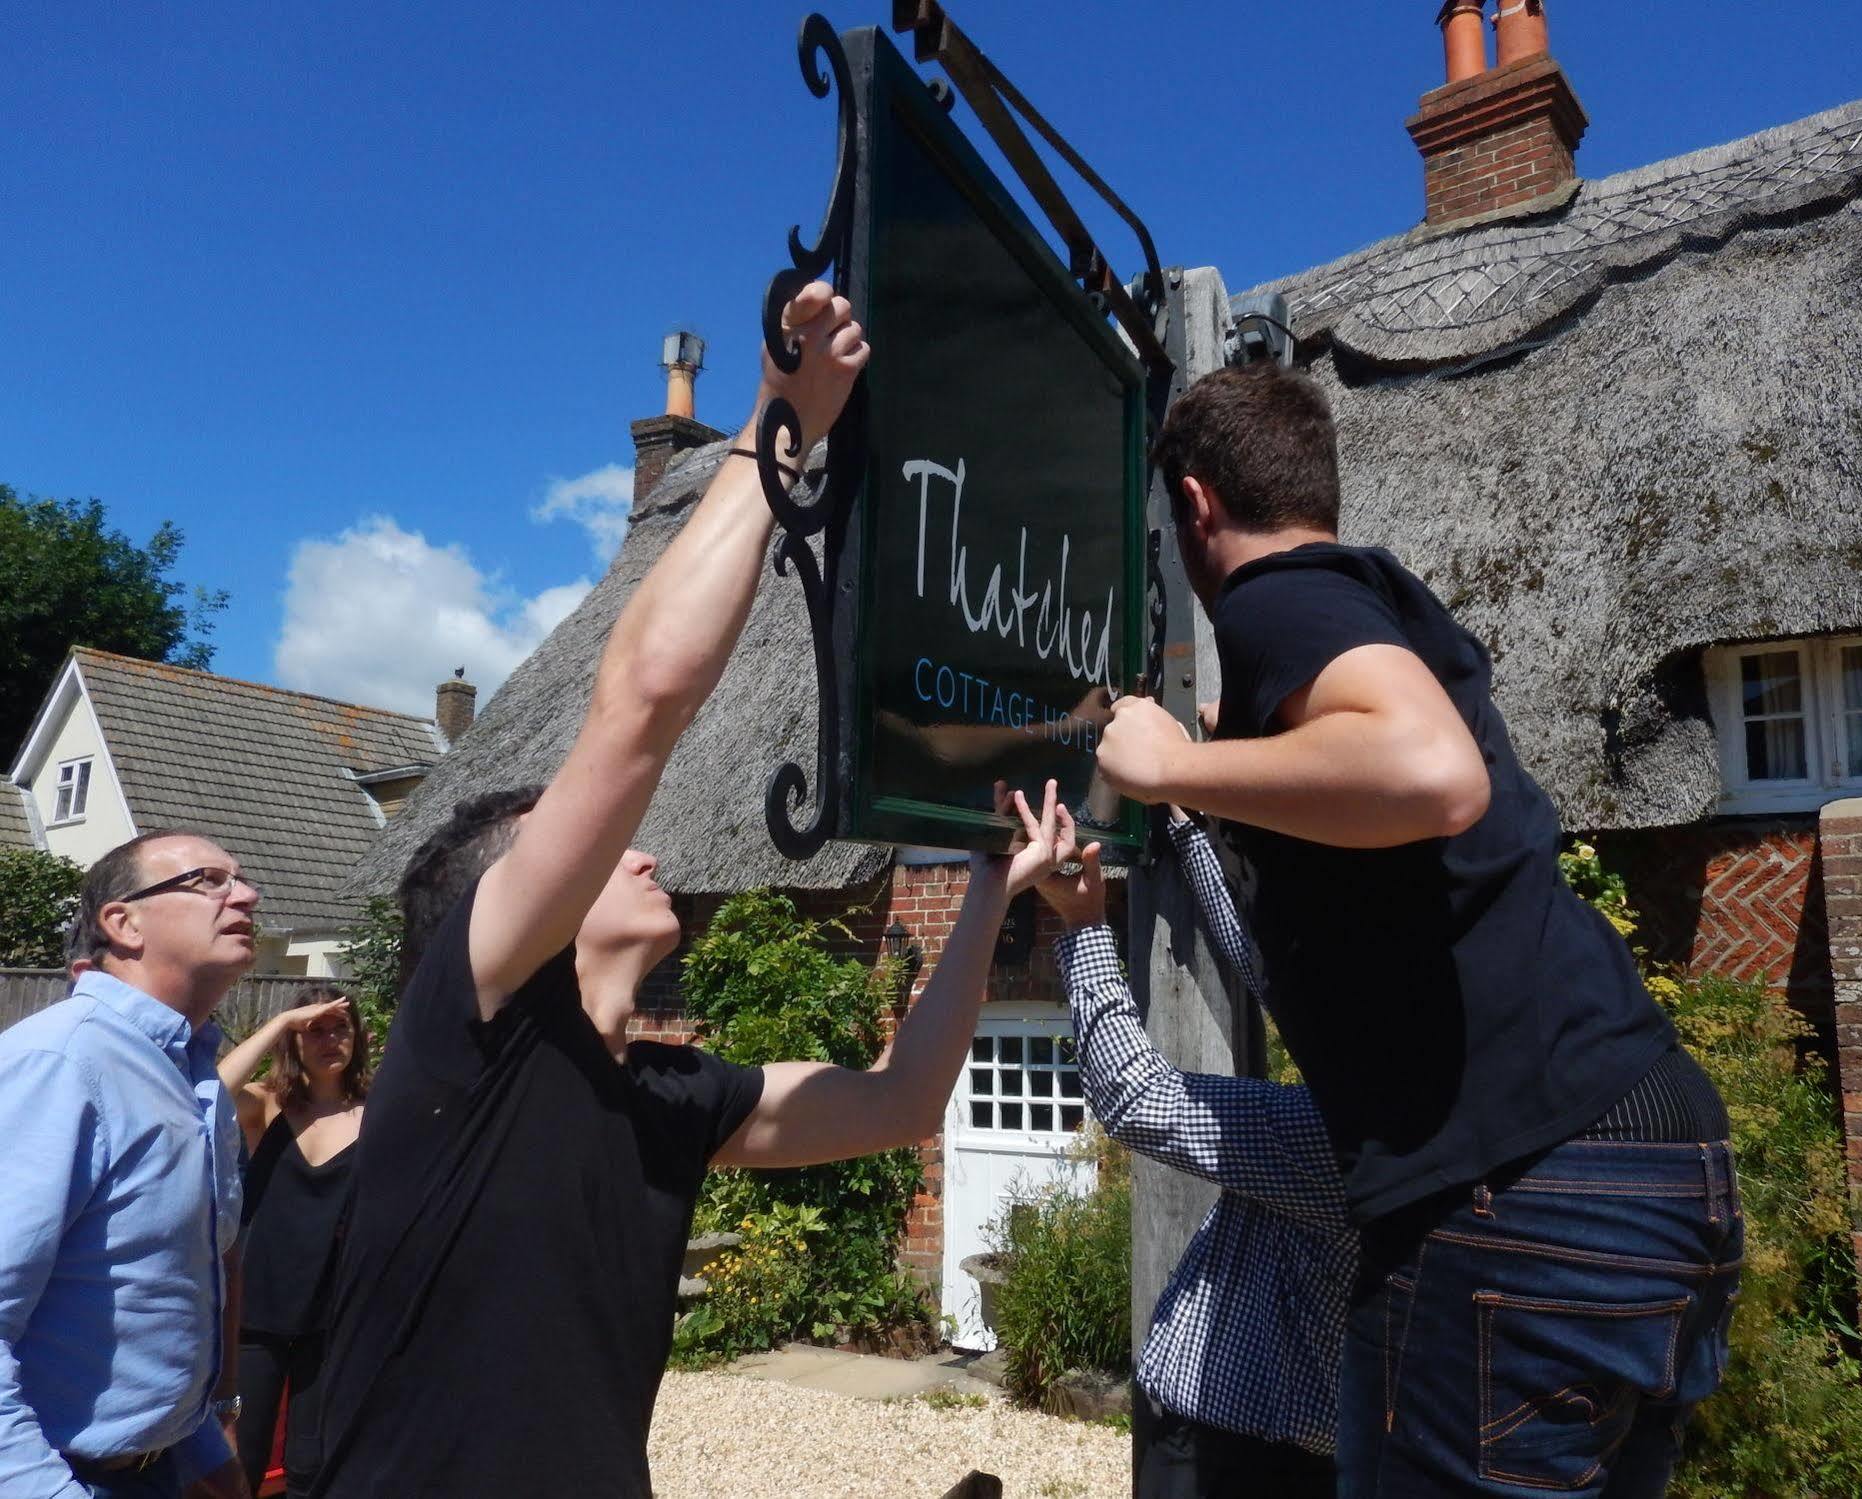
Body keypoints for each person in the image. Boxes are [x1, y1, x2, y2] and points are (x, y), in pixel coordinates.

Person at [308, 283, 1070, 1499]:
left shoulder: (669, 1091)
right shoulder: (475, 1030)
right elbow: (640, 710)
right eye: (594, 849)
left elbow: (905, 1099)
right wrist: (781, 427)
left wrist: (986, 882)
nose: (644, 848)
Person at [1095, 364, 1739, 1498]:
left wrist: (1172, 767)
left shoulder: (1275, 598)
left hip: (1521, 1185)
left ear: (1194, 504)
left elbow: (1429, 771)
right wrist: (1233, 770)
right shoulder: (1375, 601)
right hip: (1660, 1156)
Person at [1037, 811, 1353, 1498]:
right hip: (1310, 1454)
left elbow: (1137, 1095)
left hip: (1225, 1453)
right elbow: (1273, 974)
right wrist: (1187, 826)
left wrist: (1084, 925)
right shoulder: (1438, 1109)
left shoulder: (1333, 1138)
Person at [0, 832, 260, 1499]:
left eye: (241, 879)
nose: (247, 894)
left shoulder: (198, 1083)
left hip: (163, 1469)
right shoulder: (62, 1063)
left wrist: (202, 1448)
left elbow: (158, 1290)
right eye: (208, 879)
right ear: (123, 922)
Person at [217, 988, 367, 1496]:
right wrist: (280, 1021)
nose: (329, 1040)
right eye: (315, 1030)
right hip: (257, 1311)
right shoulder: (266, 1105)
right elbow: (210, 1092)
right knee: (242, 1459)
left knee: (312, 1462)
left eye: (339, 1028)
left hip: (332, 1311)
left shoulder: (379, 1111)